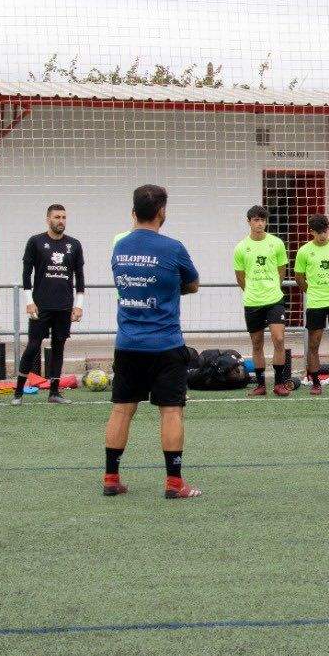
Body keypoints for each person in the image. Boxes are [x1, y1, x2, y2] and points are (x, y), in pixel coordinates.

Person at [103, 184, 202, 499]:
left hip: (128, 343)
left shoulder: (120, 247)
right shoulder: (173, 248)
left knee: (121, 410)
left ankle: (111, 478)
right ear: (162, 212)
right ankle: (174, 483)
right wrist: (171, 290)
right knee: (171, 411)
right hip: (165, 344)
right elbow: (193, 284)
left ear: (133, 212)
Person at [15, 203, 86, 405]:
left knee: (58, 347)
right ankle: (18, 391)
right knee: (33, 346)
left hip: (64, 306)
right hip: (41, 306)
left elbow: (79, 276)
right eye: (57, 217)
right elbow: (26, 274)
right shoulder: (36, 242)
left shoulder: (74, 245)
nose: (60, 221)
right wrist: (29, 302)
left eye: (63, 217)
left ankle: (54, 393)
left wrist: (79, 304)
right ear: (48, 219)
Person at [233, 204, 292, 396]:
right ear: (249, 222)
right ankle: (260, 384)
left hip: (274, 299)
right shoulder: (241, 247)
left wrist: (273, 286)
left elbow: (282, 270)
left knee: (279, 338)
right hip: (252, 301)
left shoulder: (276, 243)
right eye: (256, 220)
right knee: (257, 343)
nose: (259, 223)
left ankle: (279, 383)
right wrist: (251, 290)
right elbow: (240, 276)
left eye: (262, 220)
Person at [294, 214, 329, 394]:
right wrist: (312, 291)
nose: (323, 236)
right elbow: (299, 278)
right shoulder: (304, 251)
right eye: (318, 233)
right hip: (316, 303)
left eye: (325, 231)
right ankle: (316, 382)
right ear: (311, 232)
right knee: (313, 344)